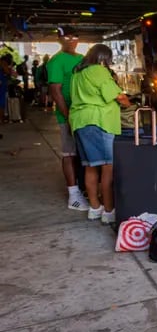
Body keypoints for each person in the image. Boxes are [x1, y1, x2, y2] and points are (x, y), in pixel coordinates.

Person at [69, 44, 131, 223]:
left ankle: (95, 208)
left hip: (80, 123)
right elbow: (117, 96)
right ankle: (109, 211)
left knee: (90, 166)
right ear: (103, 58)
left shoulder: (77, 73)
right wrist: (127, 101)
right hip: (99, 122)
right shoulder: (98, 70)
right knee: (107, 168)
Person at [47, 25, 89, 211]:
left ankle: (85, 188)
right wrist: (67, 116)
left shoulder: (82, 59)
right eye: (67, 37)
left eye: (75, 37)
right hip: (69, 116)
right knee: (69, 153)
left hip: (85, 114)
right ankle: (73, 195)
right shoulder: (56, 61)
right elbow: (55, 91)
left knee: (84, 154)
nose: (71, 40)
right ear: (60, 39)